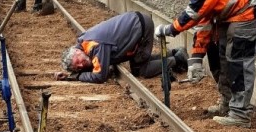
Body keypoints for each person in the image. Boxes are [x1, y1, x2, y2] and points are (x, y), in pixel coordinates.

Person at [54, 11, 189, 83]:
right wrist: (71, 74)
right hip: (136, 22)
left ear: (77, 50)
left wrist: (77, 77)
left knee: (141, 70)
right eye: (78, 67)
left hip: (141, 28)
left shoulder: (95, 47)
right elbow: (92, 65)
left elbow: (100, 76)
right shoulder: (84, 41)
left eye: (78, 60)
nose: (82, 64)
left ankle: (178, 59)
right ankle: (173, 53)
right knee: (139, 62)